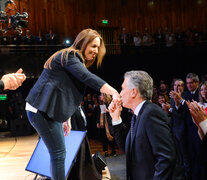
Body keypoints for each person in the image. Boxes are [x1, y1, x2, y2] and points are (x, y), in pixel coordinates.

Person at [25, 28, 120, 180]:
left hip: (47, 111)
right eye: (93, 46)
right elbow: (87, 77)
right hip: (40, 109)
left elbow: (65, 93)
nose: (96, 51)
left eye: (98, 47)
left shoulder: (72, 60)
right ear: (83, 43)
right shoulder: (71, 55)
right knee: (59, 154)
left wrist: (66, 117)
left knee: (58, 154)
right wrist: (114, 92)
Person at [109, 70, 181, 180]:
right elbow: (125, 147)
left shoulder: (151, 113)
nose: (120, 93)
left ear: (134, 92)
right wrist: (116, 118)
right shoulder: (138, 115)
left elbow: (166, 159)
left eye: (123, 89)